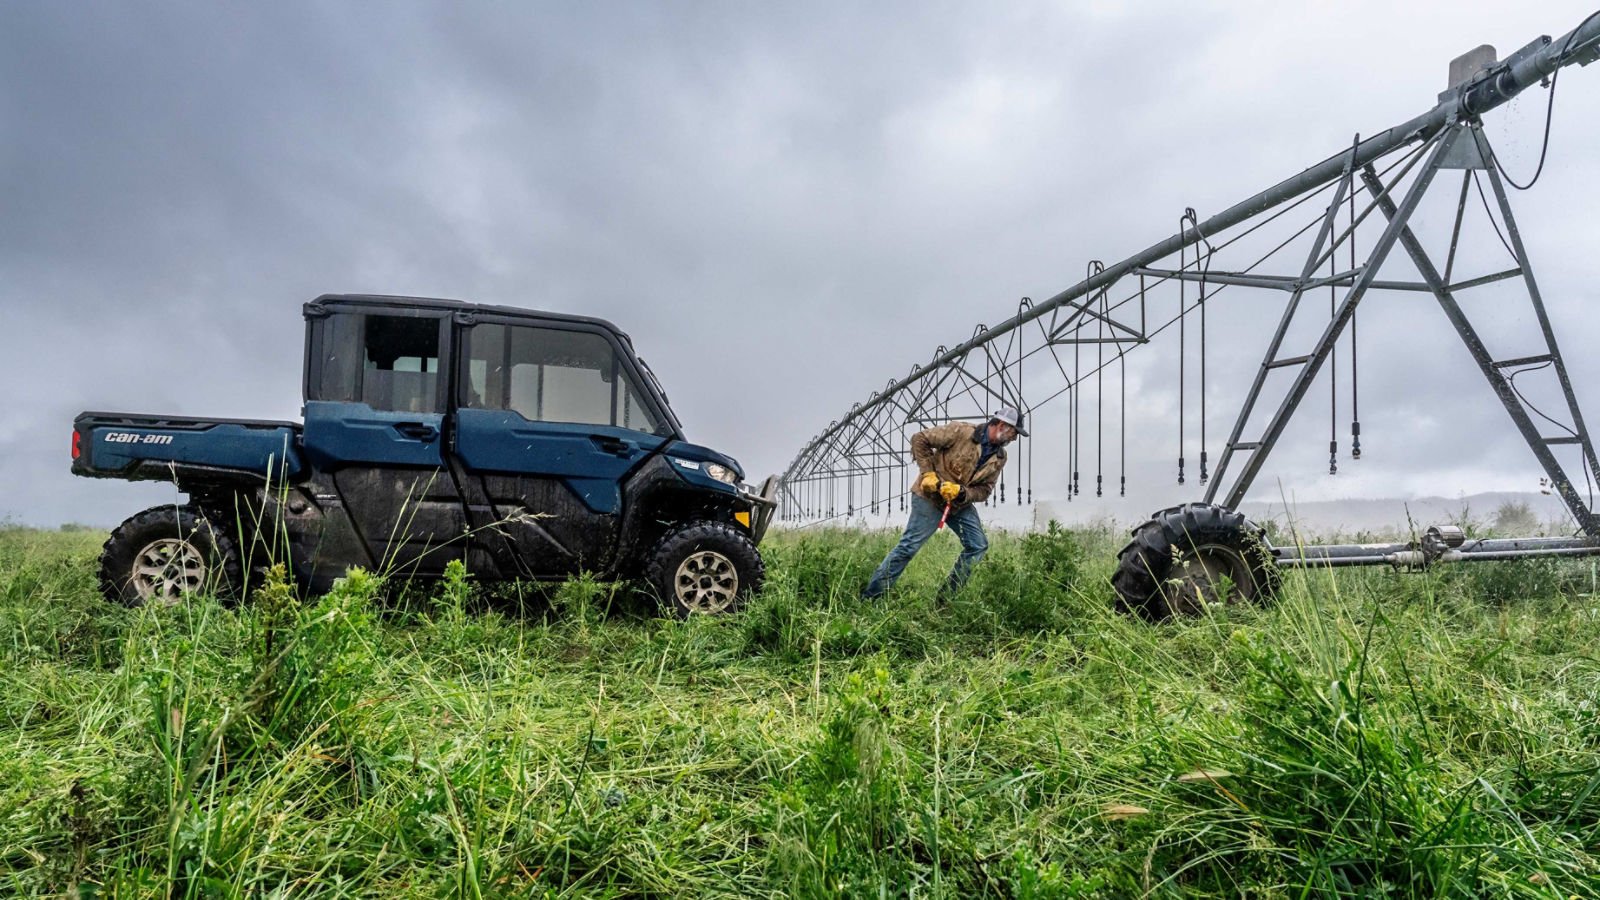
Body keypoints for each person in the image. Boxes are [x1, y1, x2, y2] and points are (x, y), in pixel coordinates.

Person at [861, 407, 1027, 600]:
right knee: (908, 547)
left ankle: (944, 600)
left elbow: (986, 489)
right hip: (930, 498)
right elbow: (919, 439)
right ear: (1002, 425)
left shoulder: (1000, 457)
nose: (1014, 438)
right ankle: (871, 598)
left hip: (958, 504)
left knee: (978, 545)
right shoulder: (961, 431)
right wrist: (928, 473)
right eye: (1014, 432)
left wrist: (963, 492)